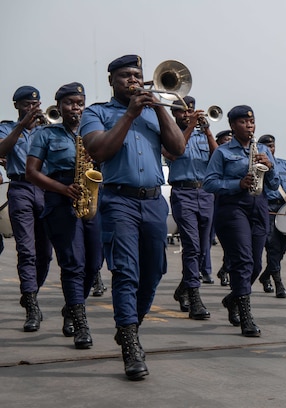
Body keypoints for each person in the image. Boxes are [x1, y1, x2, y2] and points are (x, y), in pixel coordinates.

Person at [80, 54, 186, 380]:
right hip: (118, 200)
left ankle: (130, 326)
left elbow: (178, 148)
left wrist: (158, 108)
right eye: (126, 75)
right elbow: (99, 151)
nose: (133, 80)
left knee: (153, 272)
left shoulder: (155, 112)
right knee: (126, 272)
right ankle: (130, 343)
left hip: (154, 202)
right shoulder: (95, 113)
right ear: (111, 79)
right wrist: (130, 114)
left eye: (137, 75)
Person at [26, 82, 101, 349]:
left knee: (94, 263)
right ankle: (80, 324)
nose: (75, 108)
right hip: (59, 200)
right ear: (59, 106)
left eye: (79, 103)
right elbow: (31, 173)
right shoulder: (45, 134)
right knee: (73, 264)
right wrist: (62, 188)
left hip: (89, 198)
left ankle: (71, 308)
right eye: (70, 103)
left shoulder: (92, 131)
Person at [203, 105, 279, 338]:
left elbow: (274, 186)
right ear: (233, 126)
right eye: (244, 123)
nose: (249, 126)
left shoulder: (263, 149)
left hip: (259, 207)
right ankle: (246, 316)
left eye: (252, 122)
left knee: (256, 264)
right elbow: (209, 183)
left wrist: (270, 167)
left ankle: (233, 297)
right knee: (243, 261)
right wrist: (238, 184)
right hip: (233, 208)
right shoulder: (223, 152)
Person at [0, 85, 53, 332]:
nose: (31, 108)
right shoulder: (7, 128)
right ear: (16, 106)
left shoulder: (48, 130)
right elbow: (1, 150)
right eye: (26, 105)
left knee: (45, 253)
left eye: (35, 104)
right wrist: (22, 126)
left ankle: (31, 292)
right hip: (21, 188)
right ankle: (31, 305)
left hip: (46, 189)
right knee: (26, 250)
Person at [165, 96, 218, 319]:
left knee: (202, 248)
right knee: (192, 246)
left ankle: (183, 289)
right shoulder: (170, 134)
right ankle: (194, 297)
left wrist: (206, 131)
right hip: (183, 192)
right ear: (175, 114)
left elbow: (217, 157)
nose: (187, 114)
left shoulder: (201, 133)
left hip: (205, 193)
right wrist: (189, 127)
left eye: (191, 111)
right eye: (182, 112)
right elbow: (174, 153)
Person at [256, 134, 286, 298]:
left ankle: (266, 276)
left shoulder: (285, 164)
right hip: (266, 208)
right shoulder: (258, 166)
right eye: (267, 146)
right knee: (273, 247)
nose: (270, 149)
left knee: (282, 247)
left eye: (272, 146)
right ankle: (278, 283)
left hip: (283, 208)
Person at [213, 129, 233, 287]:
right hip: (220, 202)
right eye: (225, 139)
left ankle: (225, 269)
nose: (229, 142)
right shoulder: (219, 154)